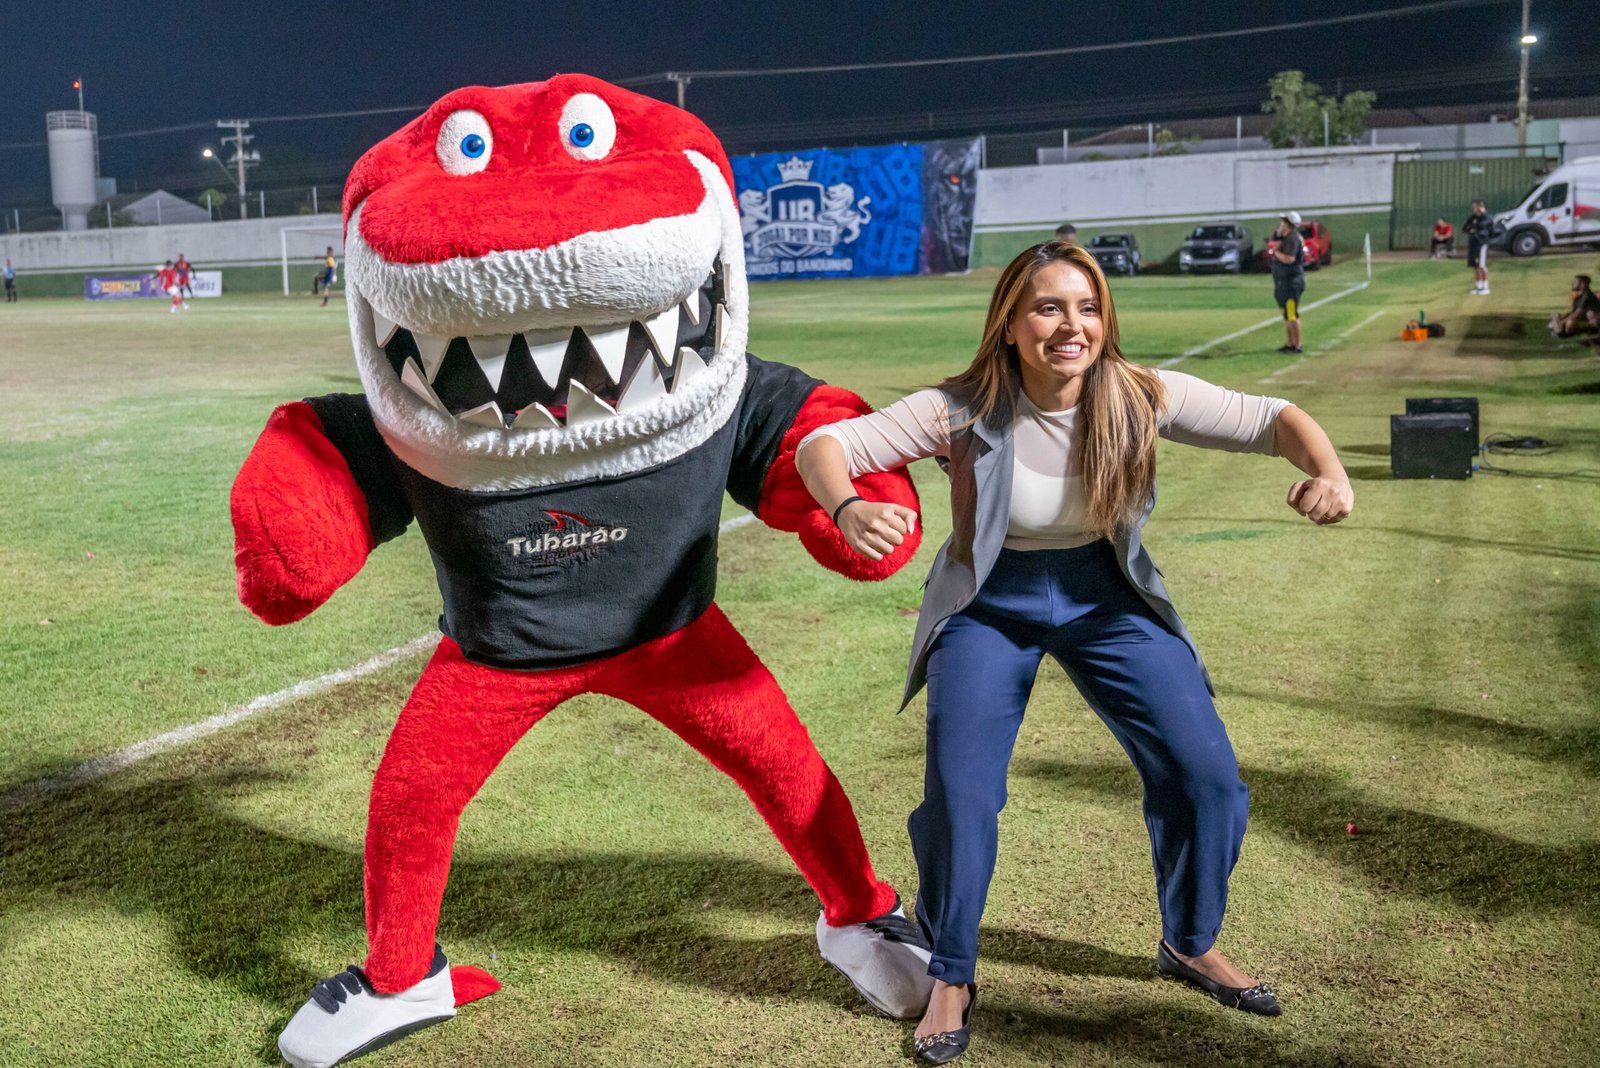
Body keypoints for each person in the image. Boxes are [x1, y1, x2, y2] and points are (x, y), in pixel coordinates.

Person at [796, 240, 1353, 1064]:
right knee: (961, 795)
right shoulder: (961, 407)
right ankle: (951, 973)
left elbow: (1276, 420)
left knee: (1206, 779)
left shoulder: (1139, 394)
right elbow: (824, 448)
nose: (1072, 325)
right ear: (1010, 324)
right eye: (1049, 308)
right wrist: (846, 507)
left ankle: (1190, 940)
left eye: (1087, 308)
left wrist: (1331, 473)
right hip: (989, 605)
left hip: (1106, 597)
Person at [1271, 211, 1306, 354]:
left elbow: (1289, 259)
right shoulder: (1289, 238)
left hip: (1291, 283)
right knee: (1287, 314)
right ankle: (1290, 343)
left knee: (1291, 314)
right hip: (1284, 282)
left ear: (1288, 224)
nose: (1280, 225)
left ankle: (1297, 345)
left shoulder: (1292, 238)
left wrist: (1276, 252)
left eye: (1283, 222)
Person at [1464, 200, 1493, 295]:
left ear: (1481, 207)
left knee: (1482, 265)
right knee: (1475, 265)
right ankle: (1478, 286)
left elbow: (1482, 226)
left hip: (1482, 243)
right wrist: (1472, 228)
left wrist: (1473, 226)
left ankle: (1486, 287)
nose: (1475, 209)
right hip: (1473, 243)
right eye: (1474, 207)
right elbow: (1465, 227)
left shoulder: (1487, 217)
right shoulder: (1473, 218)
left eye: (1477, 207)